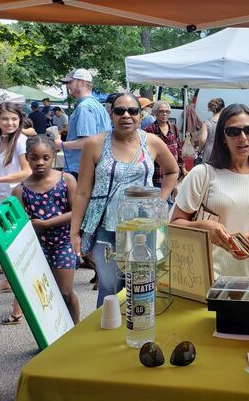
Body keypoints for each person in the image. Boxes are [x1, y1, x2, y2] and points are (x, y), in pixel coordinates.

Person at [71, 93, 179, 307]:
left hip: (144, 228)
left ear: (141, 115)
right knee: (109, 288)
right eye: (120, 110)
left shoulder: (152, 142)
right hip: (106, 228)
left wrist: (160, 200)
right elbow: (82, 191)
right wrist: (75, 232)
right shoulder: (95, 144)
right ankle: (107, 336)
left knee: (142, 286)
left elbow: (172, 171)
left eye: (133, 111)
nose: (126, 115)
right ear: (111, 114)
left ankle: (139, 333)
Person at [171, 104, 249, 279]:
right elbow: (174, 224)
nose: (243, 137)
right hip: (209, 279)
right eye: (233, 132)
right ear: (223, 137)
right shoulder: (203, 173)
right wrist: (203, 227)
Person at [12, 135, 80, 323]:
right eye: (34, 158)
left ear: (54, 156)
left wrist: (46, 224)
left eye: (45, 158)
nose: (39, 162)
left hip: (63, 244)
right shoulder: (20, 190)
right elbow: (19, 225)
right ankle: (52, 332)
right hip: (36, 248)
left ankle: (75, 330)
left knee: (65, 292)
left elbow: (76, 213)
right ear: (27, 158)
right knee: (42, 297)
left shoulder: (66, 180)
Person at [0, 103, 32, 304]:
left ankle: (18, 294)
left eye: (14, 119)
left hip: (15, 201)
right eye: (5, 118)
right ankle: (9, 281)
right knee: (4, 245)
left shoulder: (21, 141)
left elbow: (27, 171)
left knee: (12, 245)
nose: (10, 123)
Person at [56, 69, 110, 180]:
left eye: (70, 82)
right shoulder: (98, 106)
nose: (68, 86)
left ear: (82, 82)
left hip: (80, 169)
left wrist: (60, 145)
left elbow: (86, 142)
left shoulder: (84, 107)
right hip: (94, 167)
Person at [144, 101, 186, 192]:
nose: (164, 114)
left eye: (167, 112)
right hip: (157, 175)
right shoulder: (149, 130)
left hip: (173, 175)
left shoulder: (174, 128)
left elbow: (178, 150)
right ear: (155, 113)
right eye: (161, 111)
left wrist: (182, 168)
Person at [198, 98, 225, 163]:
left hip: (209, 153)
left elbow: (202, 140)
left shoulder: (207, 123)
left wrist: (199, 150)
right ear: (223, 108)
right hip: (223, 153)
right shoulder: (226, 122)